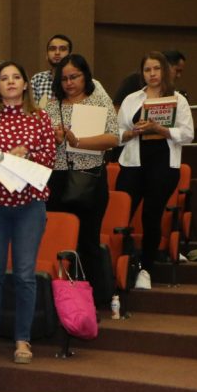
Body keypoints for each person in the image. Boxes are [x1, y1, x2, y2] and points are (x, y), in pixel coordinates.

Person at [0, 62, 56, 365]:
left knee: (24, 274)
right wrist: (0, 158)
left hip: (29, 205)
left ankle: (22, 338)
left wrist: (26, 153)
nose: (11, 82)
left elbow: (49, 159)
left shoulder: (39, 117)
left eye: (16, 77)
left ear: (26, 84)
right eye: (4, 78)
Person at [116, 51, 195, 290]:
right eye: (147, 70)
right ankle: (117, 264)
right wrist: (132, 132)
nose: (152, 74)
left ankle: (146, 269)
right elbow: (116, 132)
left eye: (156, 69)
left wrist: (161, 129)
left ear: (165, 71)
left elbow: (188, 134)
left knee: (151, 216)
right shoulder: (132, 99)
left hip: (163, 164)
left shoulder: (178, 100)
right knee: (121, 213)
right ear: (142, 73)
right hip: (133, 162)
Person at [46, 53, 119, 305]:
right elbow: (42, 143)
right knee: (59, 241)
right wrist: (55, 139)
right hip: (57, 179)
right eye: (64, 79)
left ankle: (92, 301)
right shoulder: (52, 105)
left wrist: (77, 141)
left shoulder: (98, 99)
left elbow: (113, 138)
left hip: (90, 178)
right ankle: (61, 300)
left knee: (88, 242)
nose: (69, 83)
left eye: (74, 77)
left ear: (85, 76)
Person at [31, 34, 73, 107]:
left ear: (70, 55)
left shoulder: (82, 81)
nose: (57, 53)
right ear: (47, 55)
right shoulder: (37, 79)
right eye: (52, 49)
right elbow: (31, 109)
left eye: (62, 49)